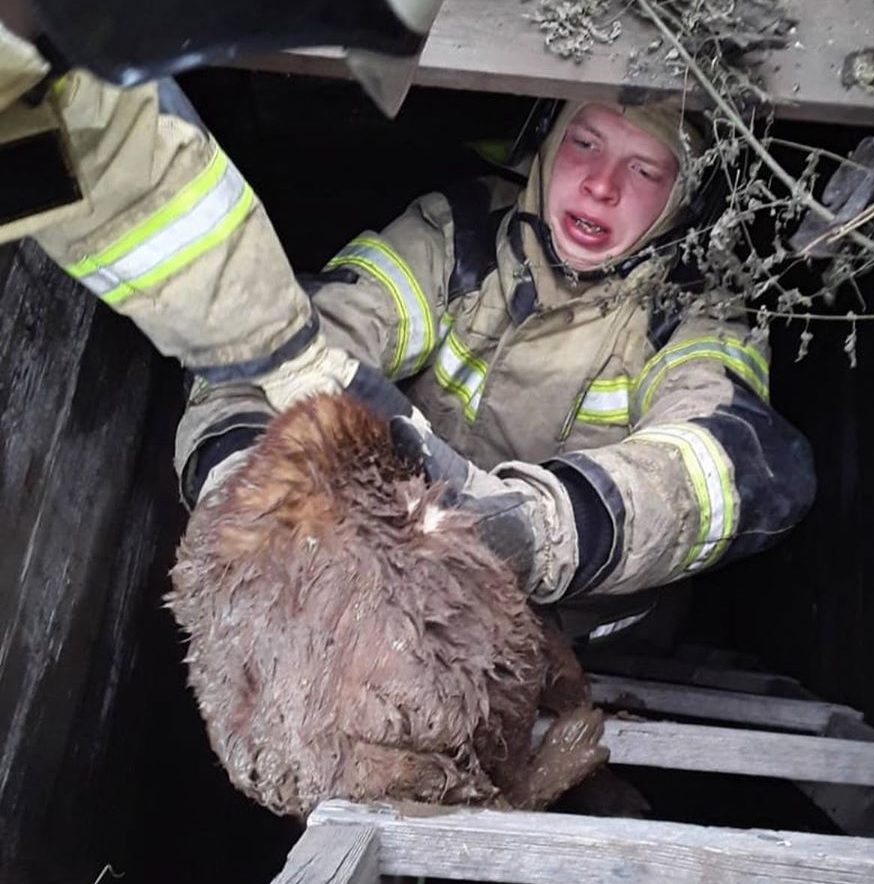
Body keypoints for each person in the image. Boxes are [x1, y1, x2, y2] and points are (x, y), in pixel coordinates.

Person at [4, 23, 815, 636]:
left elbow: (728, 469)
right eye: (586, 142)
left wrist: (533, 533)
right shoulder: (457, 233)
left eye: (646, 170)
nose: (600, 186)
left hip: (578, 628)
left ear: (687, 202)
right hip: (399, 586)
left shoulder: (703, 310)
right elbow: (308, 339)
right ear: (543, 146)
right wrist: (241, 481)